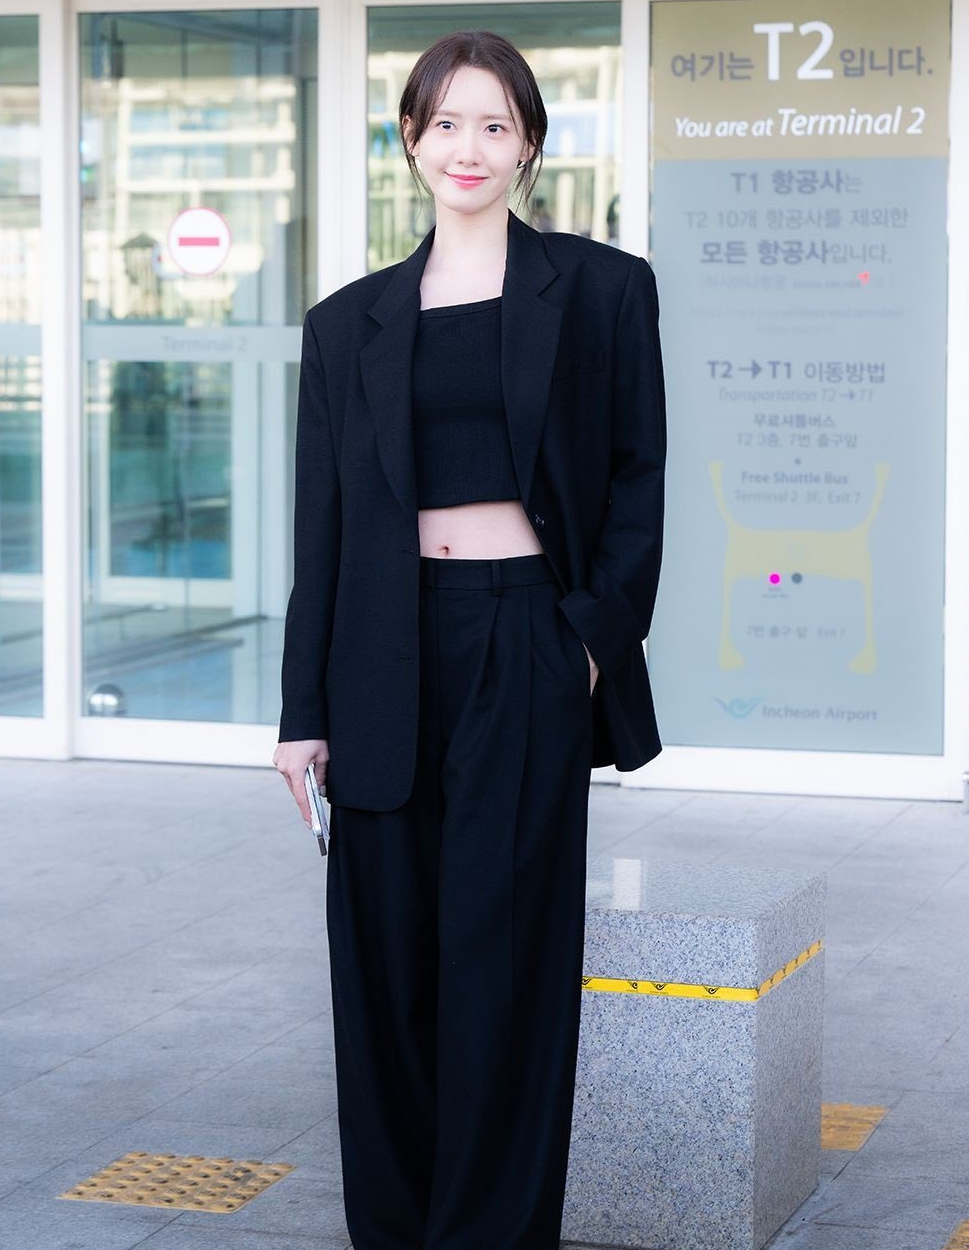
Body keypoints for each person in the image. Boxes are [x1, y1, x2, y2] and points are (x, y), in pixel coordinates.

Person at [272, 28, 666, 1250]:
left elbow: (637, 478)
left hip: (524, 640)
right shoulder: (347, 324)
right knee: (386, 967)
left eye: (496, 124)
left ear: (530, 145)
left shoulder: (601, 291)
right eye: (446, 122)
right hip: (380, 651)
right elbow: (322, 529)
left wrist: (585, 644)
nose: (469, 147)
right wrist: (302, 712)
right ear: (409, 139)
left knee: (505, 965)